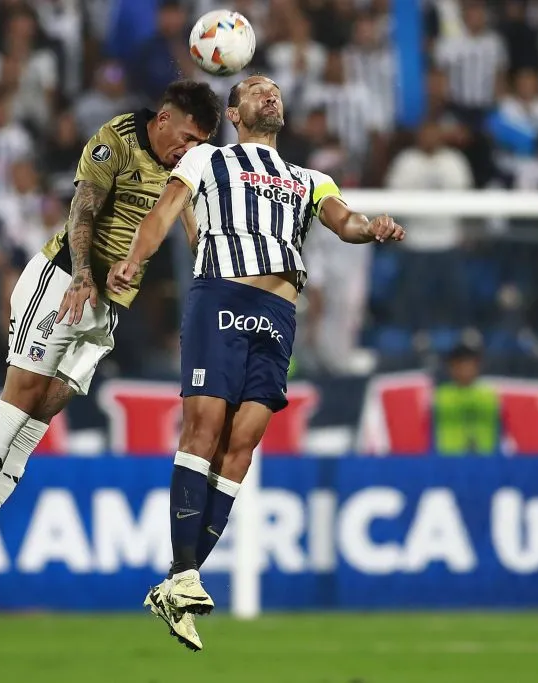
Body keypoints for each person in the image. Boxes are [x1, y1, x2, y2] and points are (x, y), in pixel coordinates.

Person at [107, 75, 405, 651]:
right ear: (235, 115)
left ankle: (177, 584)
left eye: (275, 90)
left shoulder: (309, 179)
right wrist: (133, 261)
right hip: (221, 295)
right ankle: (185, 568)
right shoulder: (205, 161)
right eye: (255, 89)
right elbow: (164, 214)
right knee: (206, 427)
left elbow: (343, 221)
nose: (270, 94)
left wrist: (372, 227)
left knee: (243, 443)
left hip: (278, 313)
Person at [0, 80, 222, 598]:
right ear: (162, 118)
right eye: (185, 136)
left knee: (42, 412)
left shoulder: (188, 165)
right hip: (65, 280)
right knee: (20, 395)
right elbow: (82, 210)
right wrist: (84, 275)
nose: (189, 148)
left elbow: (192, 225)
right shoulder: (117, 140)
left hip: (110, 305)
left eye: (198, 141)